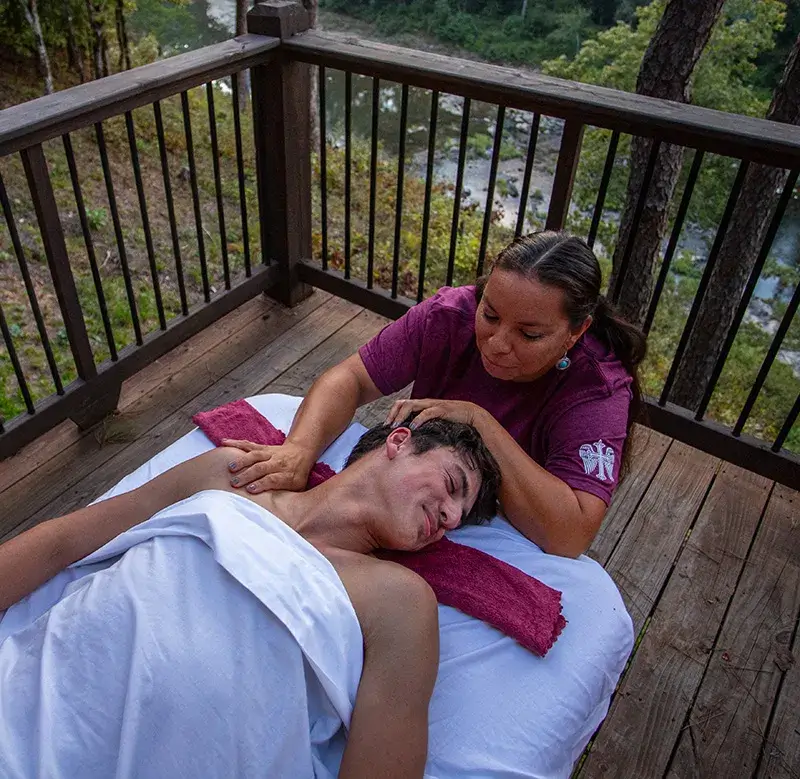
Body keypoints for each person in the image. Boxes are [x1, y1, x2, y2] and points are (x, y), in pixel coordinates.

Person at [0, 418, 500, 779]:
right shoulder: (228, 476)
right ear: (398, 442)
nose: (452, 517)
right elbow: (63, 541)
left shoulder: (400, 601)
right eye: (453, 486)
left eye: (462, 514)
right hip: (35, 705)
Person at [222, 231, 647, 558]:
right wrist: (299, 450)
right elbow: (350, 379)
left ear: (577, 332)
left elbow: (570, 533)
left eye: (529, 334)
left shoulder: (598, 390)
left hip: (510, 526)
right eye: (490, 314)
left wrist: (480, 423)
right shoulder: (449, 315)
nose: (497, 343)